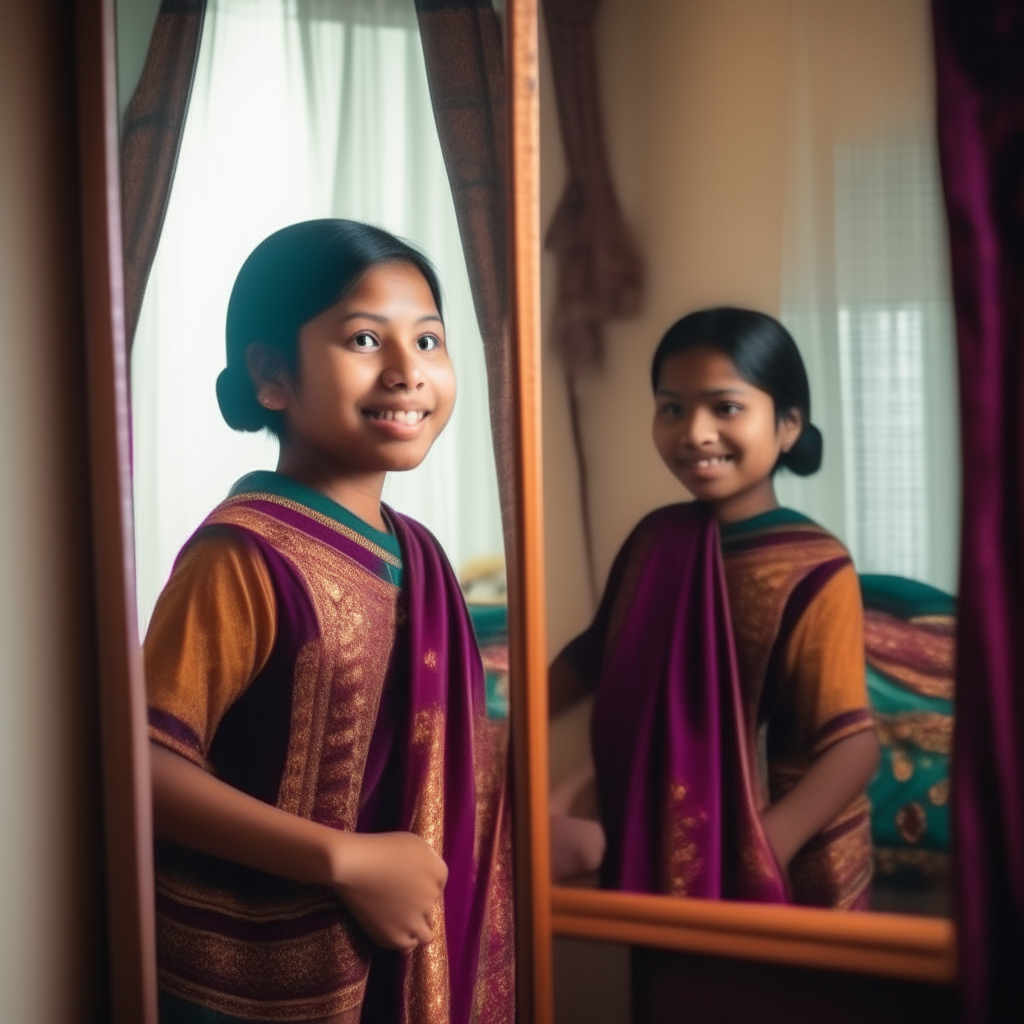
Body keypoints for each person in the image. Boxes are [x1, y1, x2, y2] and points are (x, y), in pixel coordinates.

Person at [145, 220, 513, 1023]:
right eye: (364, 339)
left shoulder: (420, 553)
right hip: (253, 980)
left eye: (428, 340)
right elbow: (142, 767)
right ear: (272, 375)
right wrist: (342, 859)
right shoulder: (244, 554)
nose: (406, 372)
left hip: (393, 950)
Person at [550, 307, 880, 909]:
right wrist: (497, 729)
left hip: (787, 864)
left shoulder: (815, 566)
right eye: (673, 408)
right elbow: (597, 654)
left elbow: (852, 746)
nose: (695, 432)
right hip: (663, 840)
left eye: (725, 407)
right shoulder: (656, 539)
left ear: (787, 424)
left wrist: (757, 851)